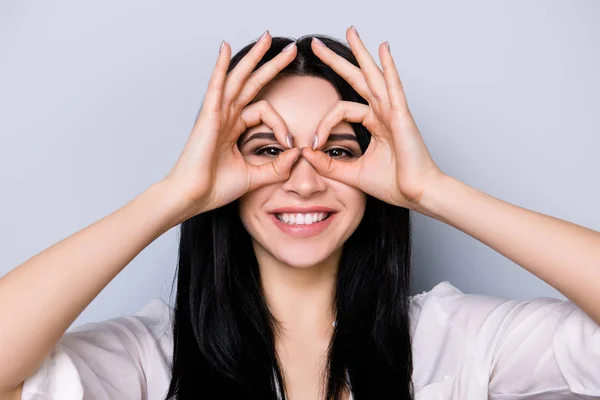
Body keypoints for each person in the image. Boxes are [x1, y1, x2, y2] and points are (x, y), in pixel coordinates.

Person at [0, 26, 598, 400]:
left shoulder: (456, 341)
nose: (305, 180)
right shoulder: (149, 358)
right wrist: (174, 197)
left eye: (338, 150)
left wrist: (433, 190)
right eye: (268, 151)